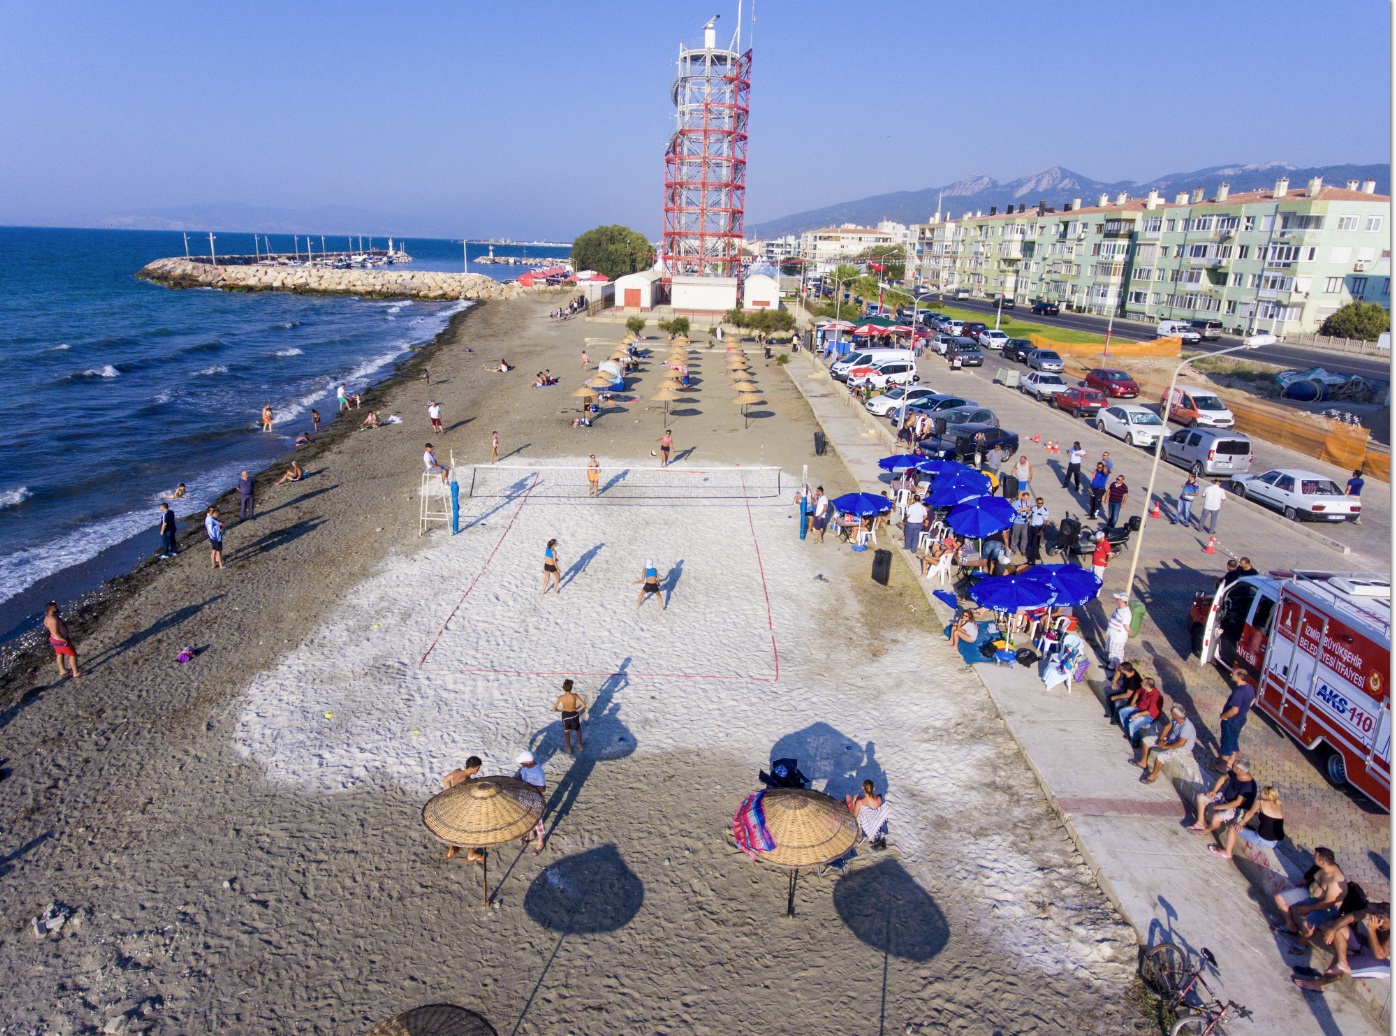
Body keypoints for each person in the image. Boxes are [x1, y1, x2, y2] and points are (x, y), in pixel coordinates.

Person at [1295, 903, 1391, 991]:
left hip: (1384, 962)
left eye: (1381, 918)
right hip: (1370, 945)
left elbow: (1381, 955)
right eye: (1377, 915)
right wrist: (1332, 930)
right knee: (1339, 929)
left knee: (1342, 965)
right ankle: (1342, 962)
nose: (1377, 919)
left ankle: (1319, 984)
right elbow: (1350, 917)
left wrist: (1371, 930)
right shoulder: (1378, 915)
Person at [1273, 847, 1348, 939]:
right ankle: (1290, 926)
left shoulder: (1335, 881)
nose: (1313, 857)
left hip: (1325, 906)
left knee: (1307, 925)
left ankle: (1302, 944)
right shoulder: (1323, 866)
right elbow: (1314, 870)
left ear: (1323, 862)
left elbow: (1328, 903)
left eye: (1315, 857)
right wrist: (1305, 879)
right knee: (1279, 898)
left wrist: (1308, 908)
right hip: (1308, 893)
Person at [1210, 785, 1284, 861]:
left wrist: (1240, 824)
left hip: (1265, 841)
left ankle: (1227, 853)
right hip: (1279, 840)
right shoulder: (1278, 804)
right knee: (1251, 826)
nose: (1260, 793)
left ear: (1266, 795)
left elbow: (1249, 814)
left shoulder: (1260, 802)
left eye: (1261, 792)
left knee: (1233, 828)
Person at [1187, 757, 1257, 836]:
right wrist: (1214, 791)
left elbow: (1238, 803)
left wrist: (1221, 807)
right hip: (1224, 797)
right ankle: (1200, 823)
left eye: (1233, 765)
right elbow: (1223, 778)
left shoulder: (1248, 786)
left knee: (1216, 818)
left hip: (1235, 808)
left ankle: (1206, 831)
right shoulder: (1235, 772)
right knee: (1201, 797)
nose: (1230, 765)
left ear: (1239, 770)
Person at [1135, 703, 1196, 783]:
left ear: (1175, 714)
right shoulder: (1176, 719)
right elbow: (1167, 727)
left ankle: (1152, 776)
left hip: (1181, 748)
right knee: (1146, 740)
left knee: (1161, 757)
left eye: (1171, 712)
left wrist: (1166, 747)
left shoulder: (1186, 727)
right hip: (1171, 741)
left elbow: (1181, 743)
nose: (1170, 713)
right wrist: (1161, 740)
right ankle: (1143, 762)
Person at [441, 757, 486, 861]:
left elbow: (445, 779)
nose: (478, 770)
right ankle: (471, 854)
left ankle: (451, 851)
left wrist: (450, 792)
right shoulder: (465, 781)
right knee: (472, 830)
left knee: (456, 829)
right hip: (462, 809)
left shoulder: (457, 772)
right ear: (471, 768)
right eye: (477, 768)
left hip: (454, 806)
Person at [1214, 668, 1258, 772]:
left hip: (1231, 720)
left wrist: (1224, 716)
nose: (1231, 674)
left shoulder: (1239, 692)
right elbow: (1253, 700)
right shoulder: (1250, 688)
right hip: (1241, 719)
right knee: (1234, 739)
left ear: (1239, 677)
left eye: (1233, 674)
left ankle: (1222, 766)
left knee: (1226, 742)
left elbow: (1234, 710)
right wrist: (1245, 709)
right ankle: (1231, 762)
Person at [515, 752, 547, 854]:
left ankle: (540, 842)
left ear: (528, 762)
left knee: (538, 821)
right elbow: (520, 775)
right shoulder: (525, 767)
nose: (521, 764)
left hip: (535, 798)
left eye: (522, 762)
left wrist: (528, 786)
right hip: (525, 796)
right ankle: (531, 834)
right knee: (527, 817)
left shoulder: (538, 772)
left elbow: (543, 788)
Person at [844, 779, 890, 848]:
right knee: (857, 797)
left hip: (867, 821)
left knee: (847, 796)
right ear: (873, 788)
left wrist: (853, 802)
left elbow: (854, 815)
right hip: (876, 821)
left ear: (862, 787)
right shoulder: (879, 799)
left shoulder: (860, 802)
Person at [43, 602, 80, 679]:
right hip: (60, 640)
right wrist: (63, 639)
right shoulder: (53, 620)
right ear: (50, 609)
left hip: (54, 639)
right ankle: (75, 672)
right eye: (55, 607)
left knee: (59, 654)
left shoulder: (47, 617)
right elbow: (56, 632)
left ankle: (62, 670)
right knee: (72, 655)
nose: (57, 608)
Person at [553, 679, 587, 754]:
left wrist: (561, 710)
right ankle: (580, 745)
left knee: (567, 733)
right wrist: (577, 710)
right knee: (578, 730)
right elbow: (583, 705)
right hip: (574, 714)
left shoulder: (561, 697)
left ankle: (569, 748)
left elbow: (554, 709)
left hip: (566, 716)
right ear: (571, 688)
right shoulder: (574, 695)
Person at [1105, 591, 1131, 669]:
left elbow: (1126, 625)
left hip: (1118, 637)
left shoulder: (1126, 613)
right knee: (1112, 652)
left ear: (1122, 600)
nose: (1116, 599)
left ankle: (1117, 671)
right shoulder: (1119, 607)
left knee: (1117, 655)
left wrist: (1129, 631)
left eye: (1118, 598)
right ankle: (1111, 666)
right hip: (1113, 635)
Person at [1026, 496, 1049, 564]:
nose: (1040, 504)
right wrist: (1029, 518)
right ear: (1036, 502)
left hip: (1038, 528)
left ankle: (1032, 560)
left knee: (1034, 544)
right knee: (1032, 542)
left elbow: (1045, 522)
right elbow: (1032, 514)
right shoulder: (1034, 508)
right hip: (1032, 527)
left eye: (1042, 503)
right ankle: (1037, 555)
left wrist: (1042, 530)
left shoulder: (1044, 510)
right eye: (1039, 503)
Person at [1010, 490, 1032, 555]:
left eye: (1028, 498)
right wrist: (1023, 509)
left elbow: (1031, 509)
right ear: (1022, 497)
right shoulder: (1017, 503)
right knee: (1015, 536)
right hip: (1017, 522)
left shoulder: (1029, 502)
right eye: (1025, 498)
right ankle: (1013, 548)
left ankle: (1023, 550)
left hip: (1025, 522)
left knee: (1024, 536)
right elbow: (1014, 511)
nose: (1026, 499)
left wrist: (1030, 516)